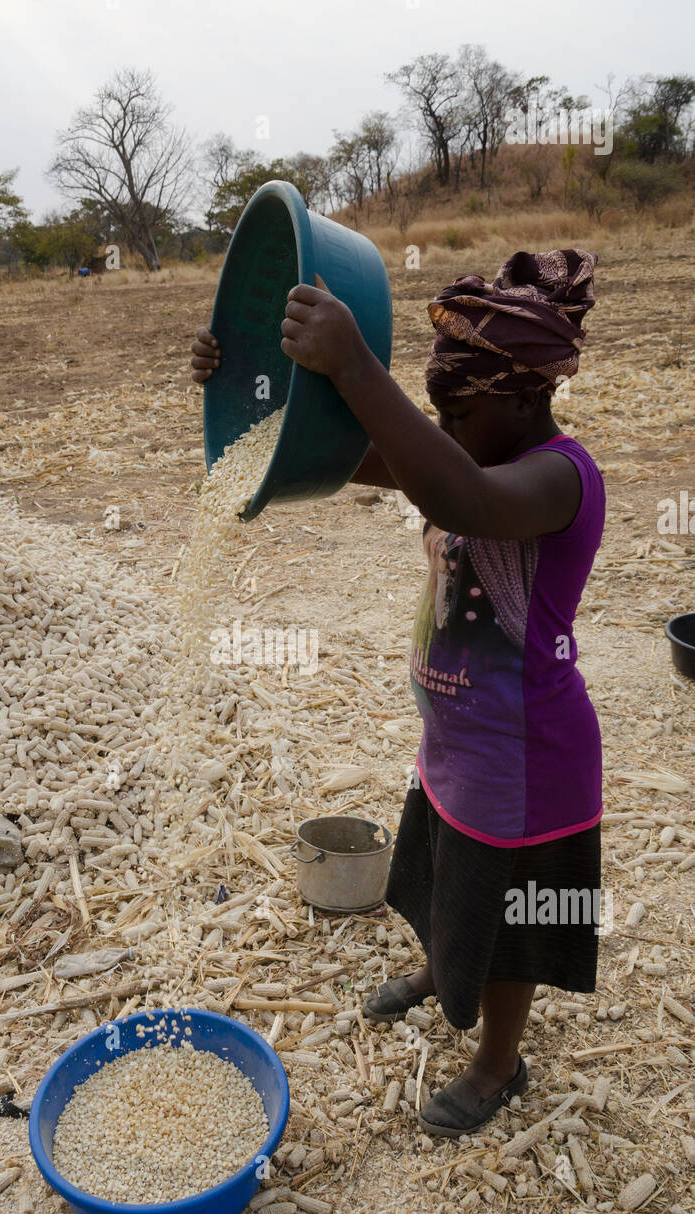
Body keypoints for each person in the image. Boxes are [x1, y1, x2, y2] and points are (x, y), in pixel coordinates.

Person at [190, 249, 604, 1137]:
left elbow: (455, 492)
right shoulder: (461, 453)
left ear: (527, 400)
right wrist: (257, 383)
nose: (445, 430)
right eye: (439, 415)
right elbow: (360, 455)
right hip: (458, 739)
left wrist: (353, 363)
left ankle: (499, 1061)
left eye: (460, 412)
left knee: (506, 916)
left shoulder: (559, 479)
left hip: (528, 758)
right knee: (438, 872)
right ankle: (437, 967)